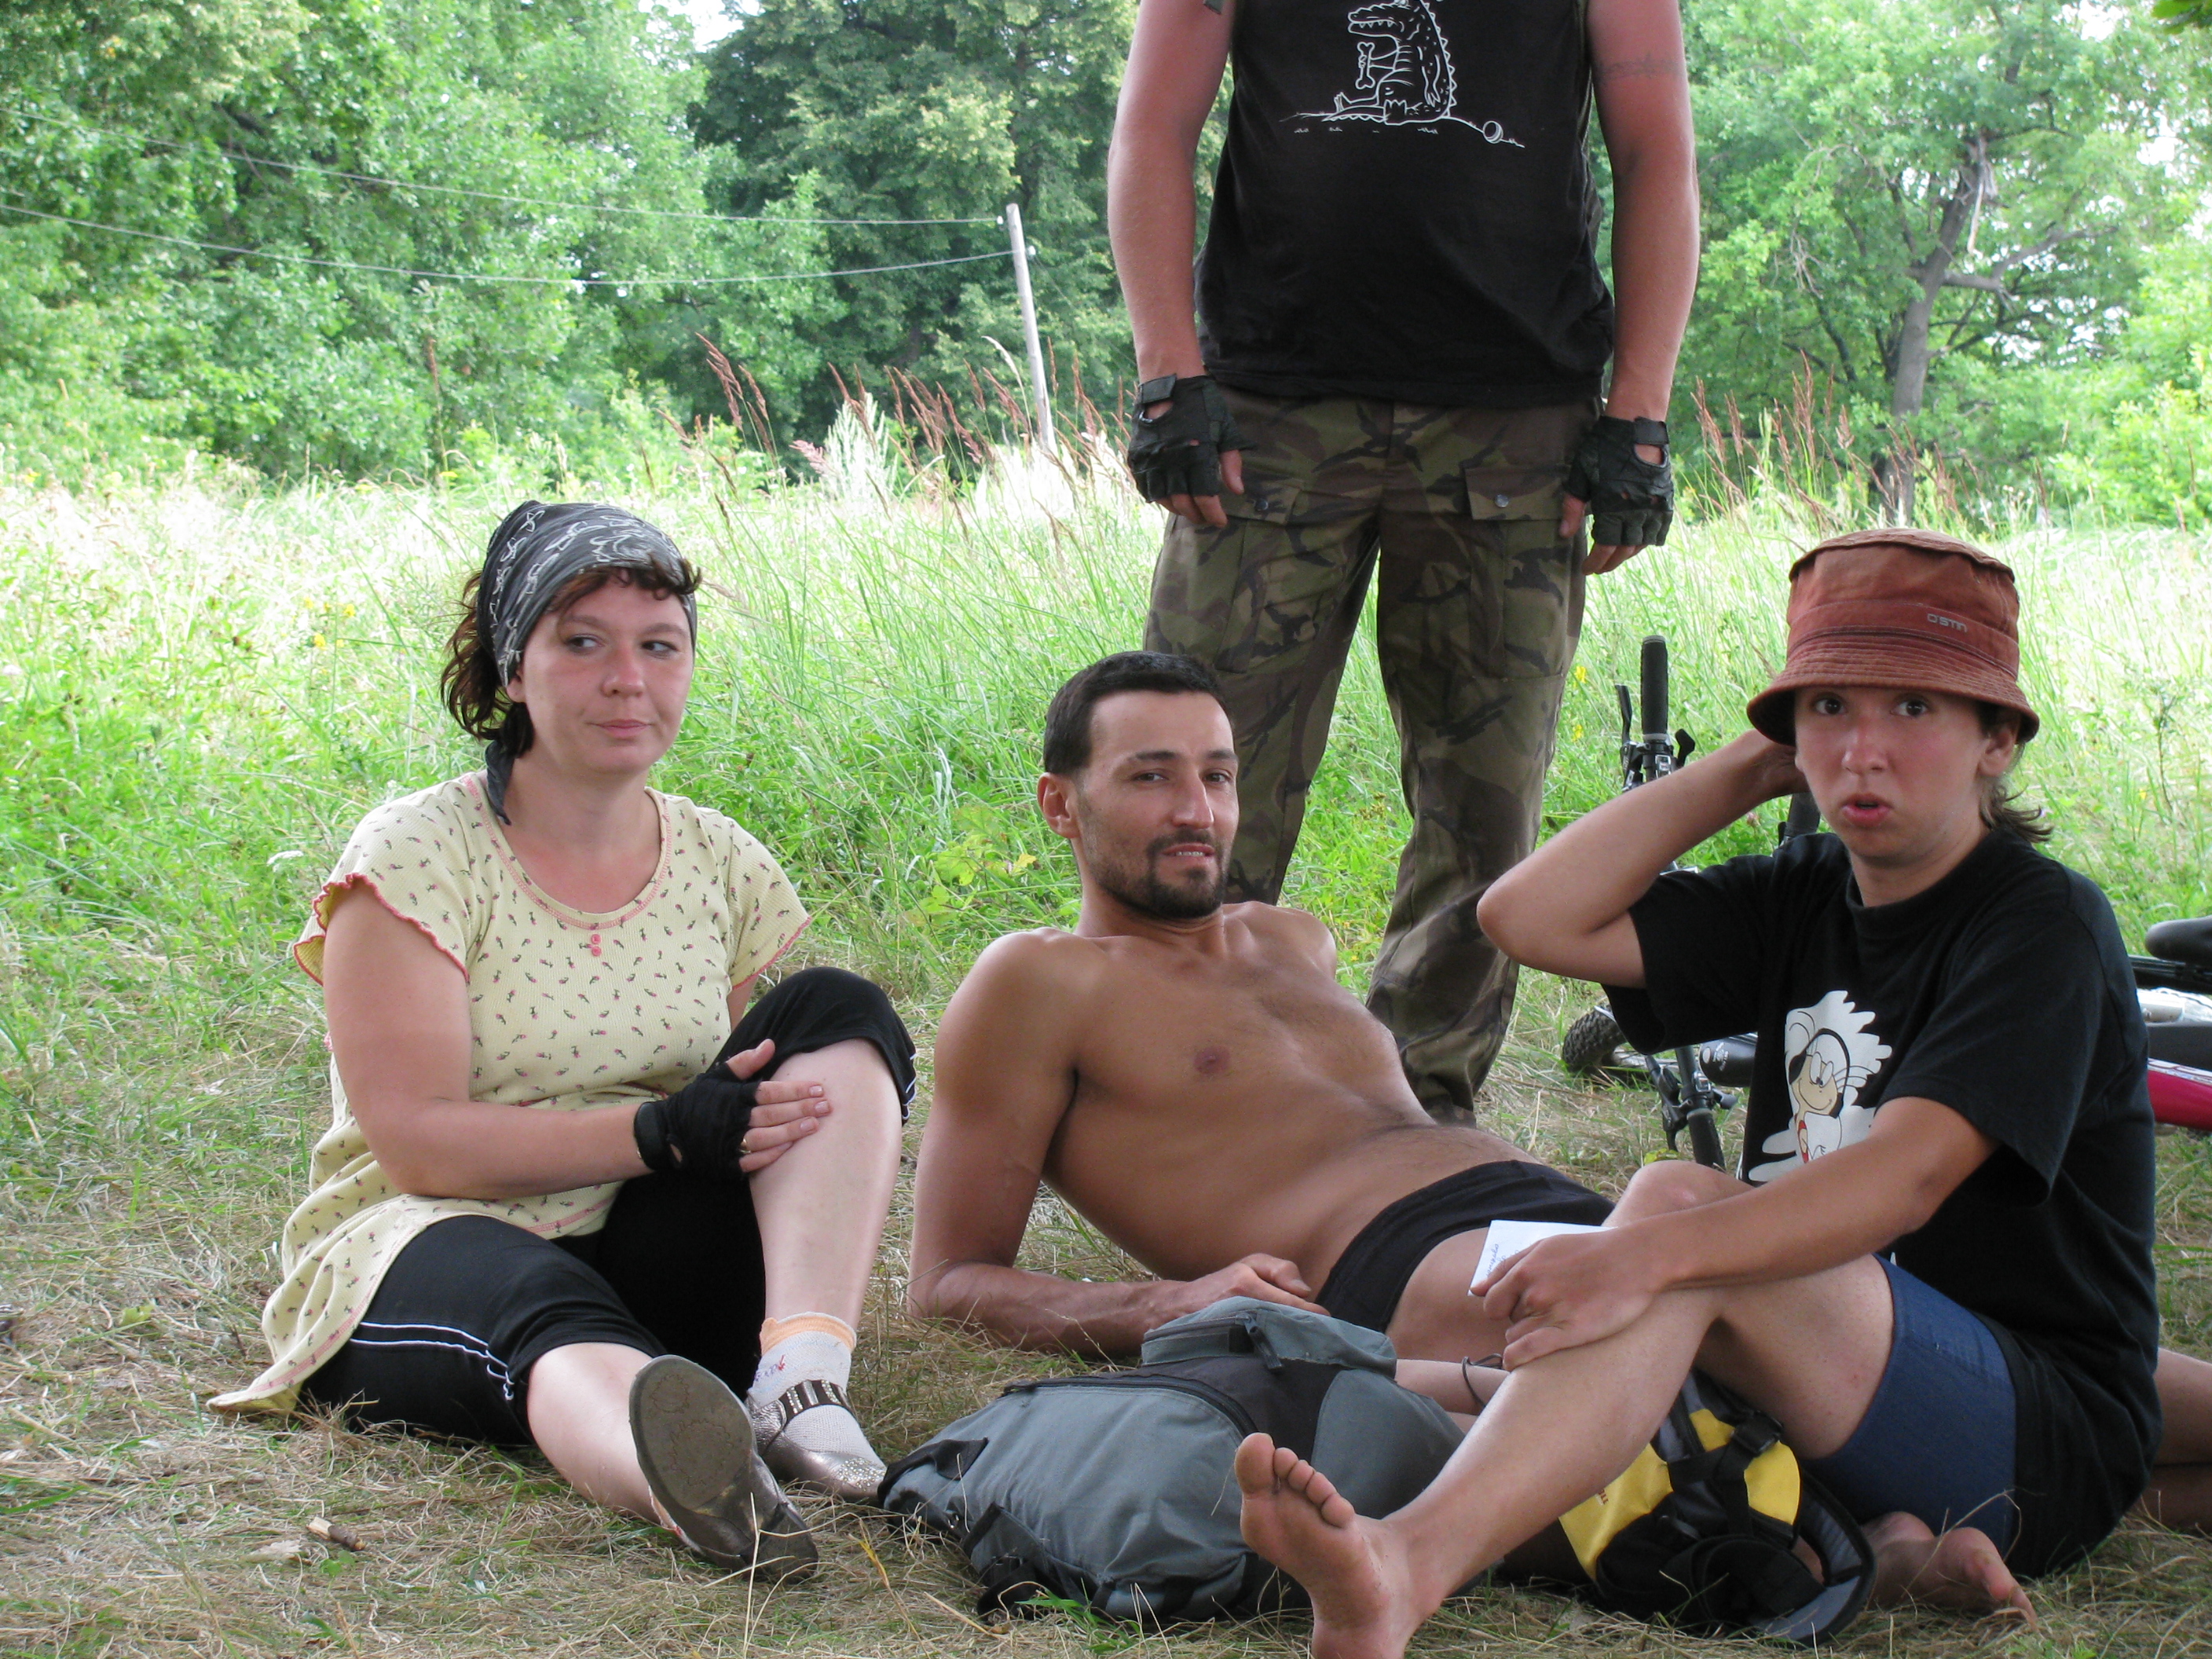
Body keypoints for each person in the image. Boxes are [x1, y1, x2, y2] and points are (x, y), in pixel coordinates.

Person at [1229, 529, 2178, 1655]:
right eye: (1828, 708)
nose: (1863, 750)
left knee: (1673, 1213)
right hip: (1819, 1380)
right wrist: (1749, 766)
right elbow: (1526, 918)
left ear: (1997, 740)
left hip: (2032, 1432)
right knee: (1471, 1373)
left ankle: (1409, 1565)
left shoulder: (2039, 925)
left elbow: (1906, 1177)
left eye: (1915, 708)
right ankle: (1877, 1552)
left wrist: (1641, 1255)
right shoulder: (1805, 892)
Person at [212, 502, 914, 1576]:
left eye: (659, 646)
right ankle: (694, 1484)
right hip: (432, 1240)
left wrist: (697, 1136)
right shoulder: (414, 854)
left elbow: (734, 1082)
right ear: (511, 671)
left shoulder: (721, 859)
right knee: (536, 1301)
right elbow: (418, 1146)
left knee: (834, 1008)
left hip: (643, 1234)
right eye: (582, 642)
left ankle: (800, 1382)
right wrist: (660, 1133)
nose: (627, 680)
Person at [1109, 0, 1700, 1116]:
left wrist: (1640, 415)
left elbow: (1655, 153)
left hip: (1515, 413)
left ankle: (1420, 1114)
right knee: (1190, 773)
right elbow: (1152, 127)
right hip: (1269, 410)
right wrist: (1165, 376)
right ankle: (1176, 1094)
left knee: (1484, 802)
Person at [907, 650, 1612, 1372]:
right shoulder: (1044, 979)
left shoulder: (1293, 940)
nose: (1197, 811)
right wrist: (1171, 1305)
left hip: (1543, 1204)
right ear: (1061, 805)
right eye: (1151, 777)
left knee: (1683, 1224)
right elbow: (944, 1282)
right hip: (1398, 1259)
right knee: (1630, 1312)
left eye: (1216, 776)